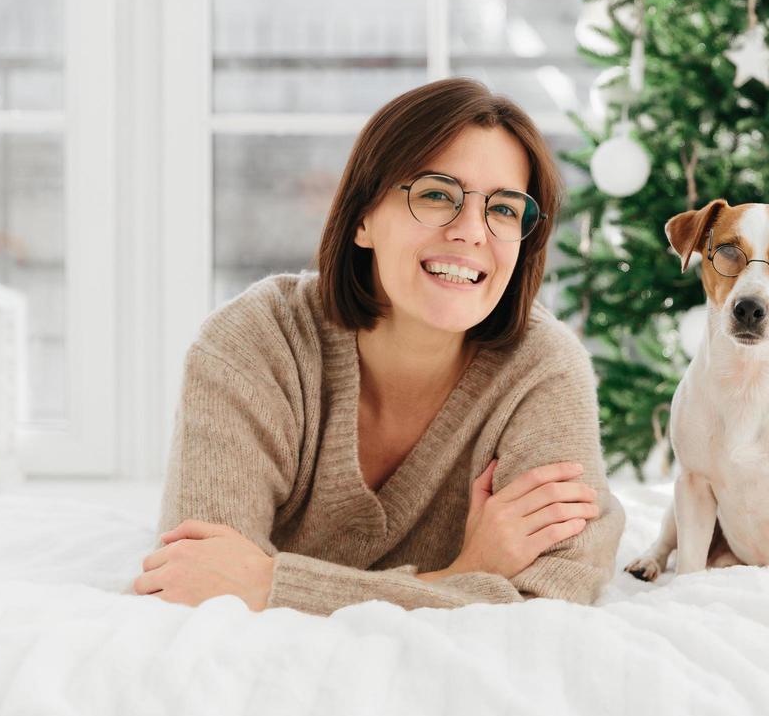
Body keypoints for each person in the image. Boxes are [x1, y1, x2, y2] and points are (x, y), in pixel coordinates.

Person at [133, 77, 626, 616]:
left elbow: (553, 594)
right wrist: (464, 576)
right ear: (363, 217)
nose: (472, 231)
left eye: (504, 209)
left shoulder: (542, 368)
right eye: (438, 194)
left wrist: (271, 584)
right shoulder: (254, 344)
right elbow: (193, 580)